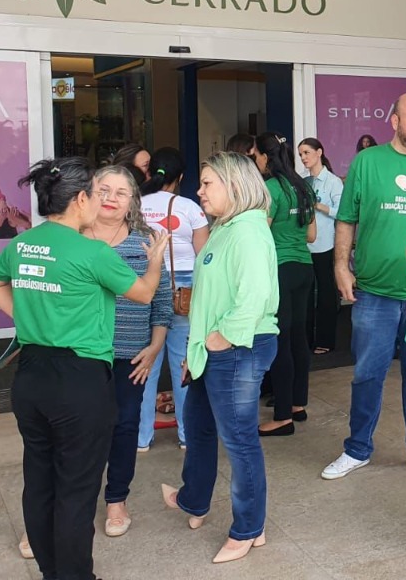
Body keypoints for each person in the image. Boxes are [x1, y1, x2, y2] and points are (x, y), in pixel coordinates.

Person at [0, 157, 168, 580]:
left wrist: (27, 322)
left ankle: (53, 572)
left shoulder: (24, 242)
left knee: (40, 479)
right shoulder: (93, 252)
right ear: (80, 199)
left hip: (30, 376)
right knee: (76, 490)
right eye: (96, 194)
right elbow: (142, 293)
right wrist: (155, 259)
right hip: (79, 381)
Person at [322, 92, 406, 480]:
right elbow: (346, 219)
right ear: (394, 121)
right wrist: (340, 266)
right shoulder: (367, 163)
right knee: (367, 373)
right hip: (374, 293)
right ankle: (357, 448)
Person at [160, 151, 279, 565]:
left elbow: (255, 296)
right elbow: (213, 297)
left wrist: (219, 339)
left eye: (208, 183)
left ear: (234, 186)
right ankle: (194, 500)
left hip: (238, 347)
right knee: (198, 424)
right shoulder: (226, 228)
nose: (199, 190)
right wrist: (198, 350)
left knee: (240, 441)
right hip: (216, 349)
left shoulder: (247, 231)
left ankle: (248, 528)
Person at [82, 165, 173, 539]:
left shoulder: (146, 239)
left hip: (131, 356)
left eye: (121, 192)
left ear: (132, 201)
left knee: (124, 427)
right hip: (81, 354)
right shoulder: (75, 238)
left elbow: (162, 298)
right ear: (89, 192)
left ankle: (116, 500)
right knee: (79, 432)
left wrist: (155, 346)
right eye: (104, 189)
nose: (111, 198)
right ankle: (72, 504)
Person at [138, 147, 210, 451]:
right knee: (183, 360)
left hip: (143, 286)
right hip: (183, 289)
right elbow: (204, 255)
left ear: (150, 172)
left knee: (144, 363)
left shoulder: (135, 205)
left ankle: (140, 438)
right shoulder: (189, 207)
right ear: (180, 177)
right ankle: (186, 436)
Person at [254, 132, 316, 436]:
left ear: (266, 157)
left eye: (256, 156)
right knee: (298, 338)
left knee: (280, 339)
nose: (256, 161)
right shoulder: (303, 185)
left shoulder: (270, 189)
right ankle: (296, 404)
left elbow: (261, 234)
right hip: (304, 267)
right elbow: (312, 235)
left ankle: (282, 417)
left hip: (279, 269)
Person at [299, 138, 343, 354]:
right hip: (306, 244)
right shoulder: (303, 182)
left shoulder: (333, 181)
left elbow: (341, 211)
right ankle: (305, 339)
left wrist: (318, 205)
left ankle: (325, 340)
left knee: (326, 292)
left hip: (325, 242)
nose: (303, 158)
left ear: (319, 152)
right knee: (306, 293)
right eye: (300, 154)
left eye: (306, 152)